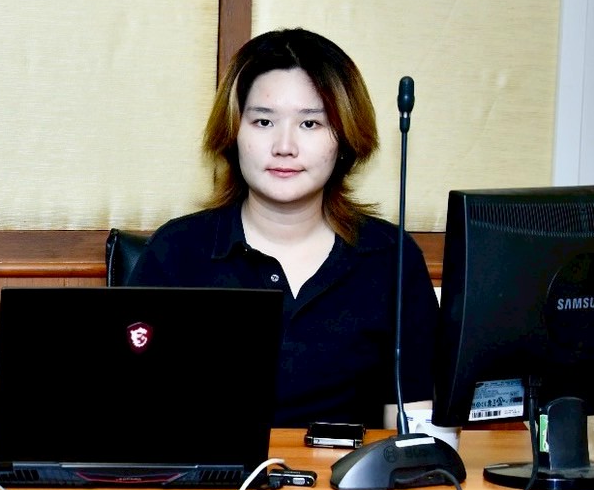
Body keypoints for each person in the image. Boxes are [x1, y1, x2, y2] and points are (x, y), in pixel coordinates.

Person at [129, 27, 437, 428]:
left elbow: (415, 428)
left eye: (310, 124)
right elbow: (134, 409)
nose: (284, 147)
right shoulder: (177, 251)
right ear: (233, 132)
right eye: (263, 122)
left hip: (351, 469)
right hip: (215, 470)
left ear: (344, 138)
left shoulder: (390, 256)